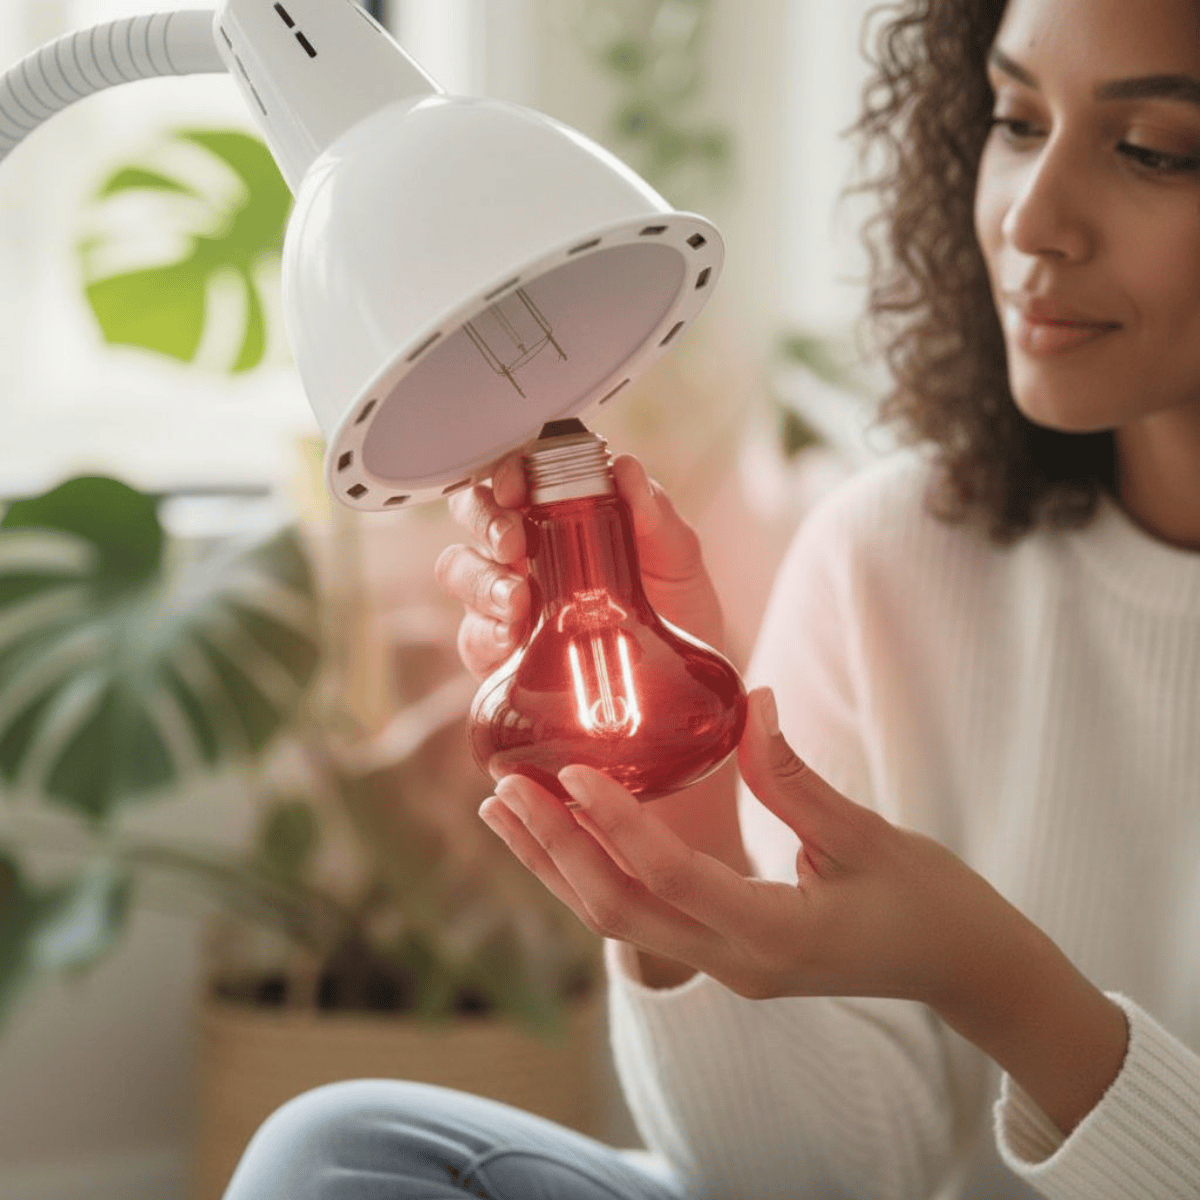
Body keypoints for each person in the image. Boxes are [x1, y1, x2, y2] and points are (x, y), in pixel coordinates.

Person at [221, 0, 1200, 1196]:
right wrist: (685, 841)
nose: (1033, 219)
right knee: (340, 1160)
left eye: (1154, 148)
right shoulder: (898, 555)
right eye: (1014, 120)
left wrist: (1003, 988)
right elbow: (811, 1178)